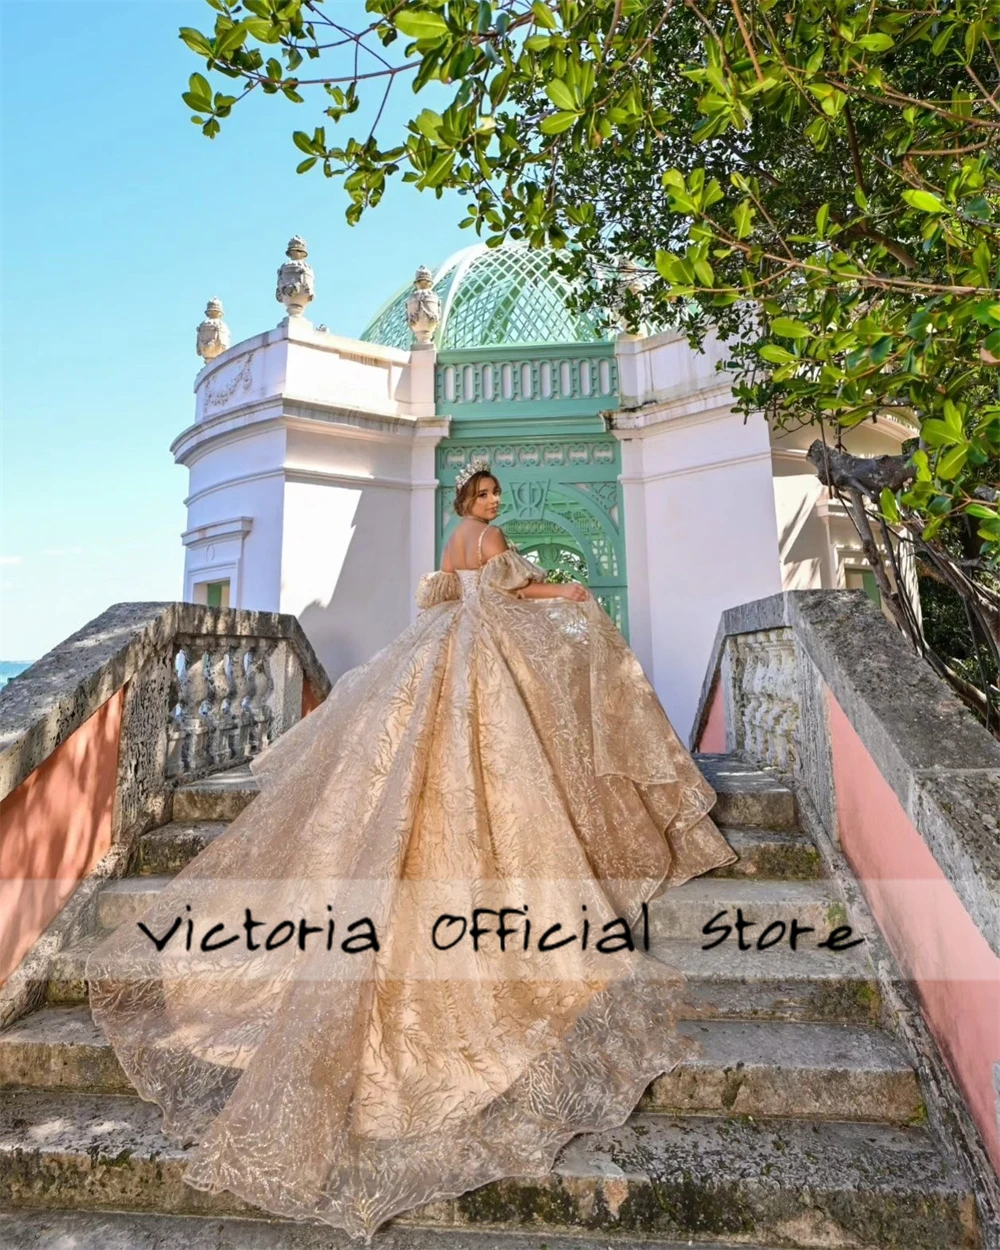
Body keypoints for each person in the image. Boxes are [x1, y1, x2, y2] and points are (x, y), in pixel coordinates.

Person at [87, 459, 736, 1244]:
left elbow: (441, 594)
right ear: (474, 502)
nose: (492, 506)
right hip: (479, 657)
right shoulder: (491, 540)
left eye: (493, 498)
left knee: (422, 765)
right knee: (493, 760)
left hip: (439, 652)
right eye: (486, 496)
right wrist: (566, 592)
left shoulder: (452, 539)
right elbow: (515, 593)